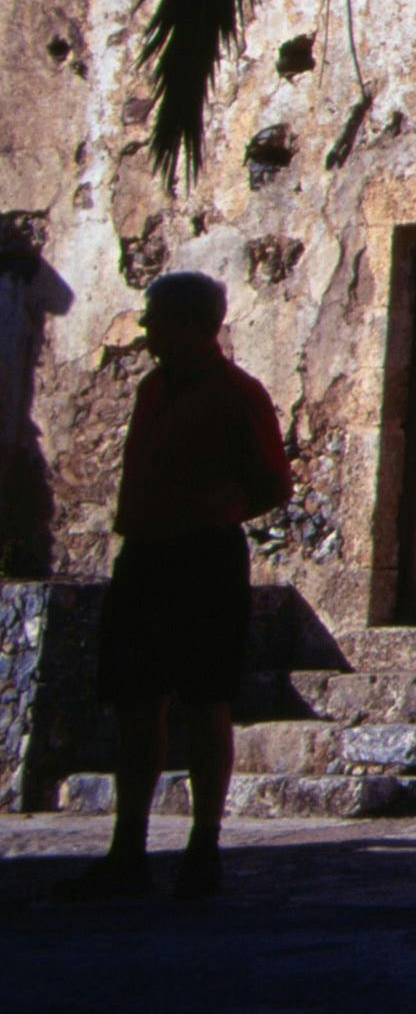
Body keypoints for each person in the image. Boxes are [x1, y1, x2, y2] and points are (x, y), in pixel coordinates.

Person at [55, 270, 291, 901]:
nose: (146, 330)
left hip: (204, 559)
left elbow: (274, 483)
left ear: (191, 323)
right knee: (136, 703)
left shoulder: (239, 393)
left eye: (156, 318)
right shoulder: (152, 390)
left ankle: (202, 849)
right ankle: (127, 850)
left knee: (206, 702)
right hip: (145, 557)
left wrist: (212, 510)